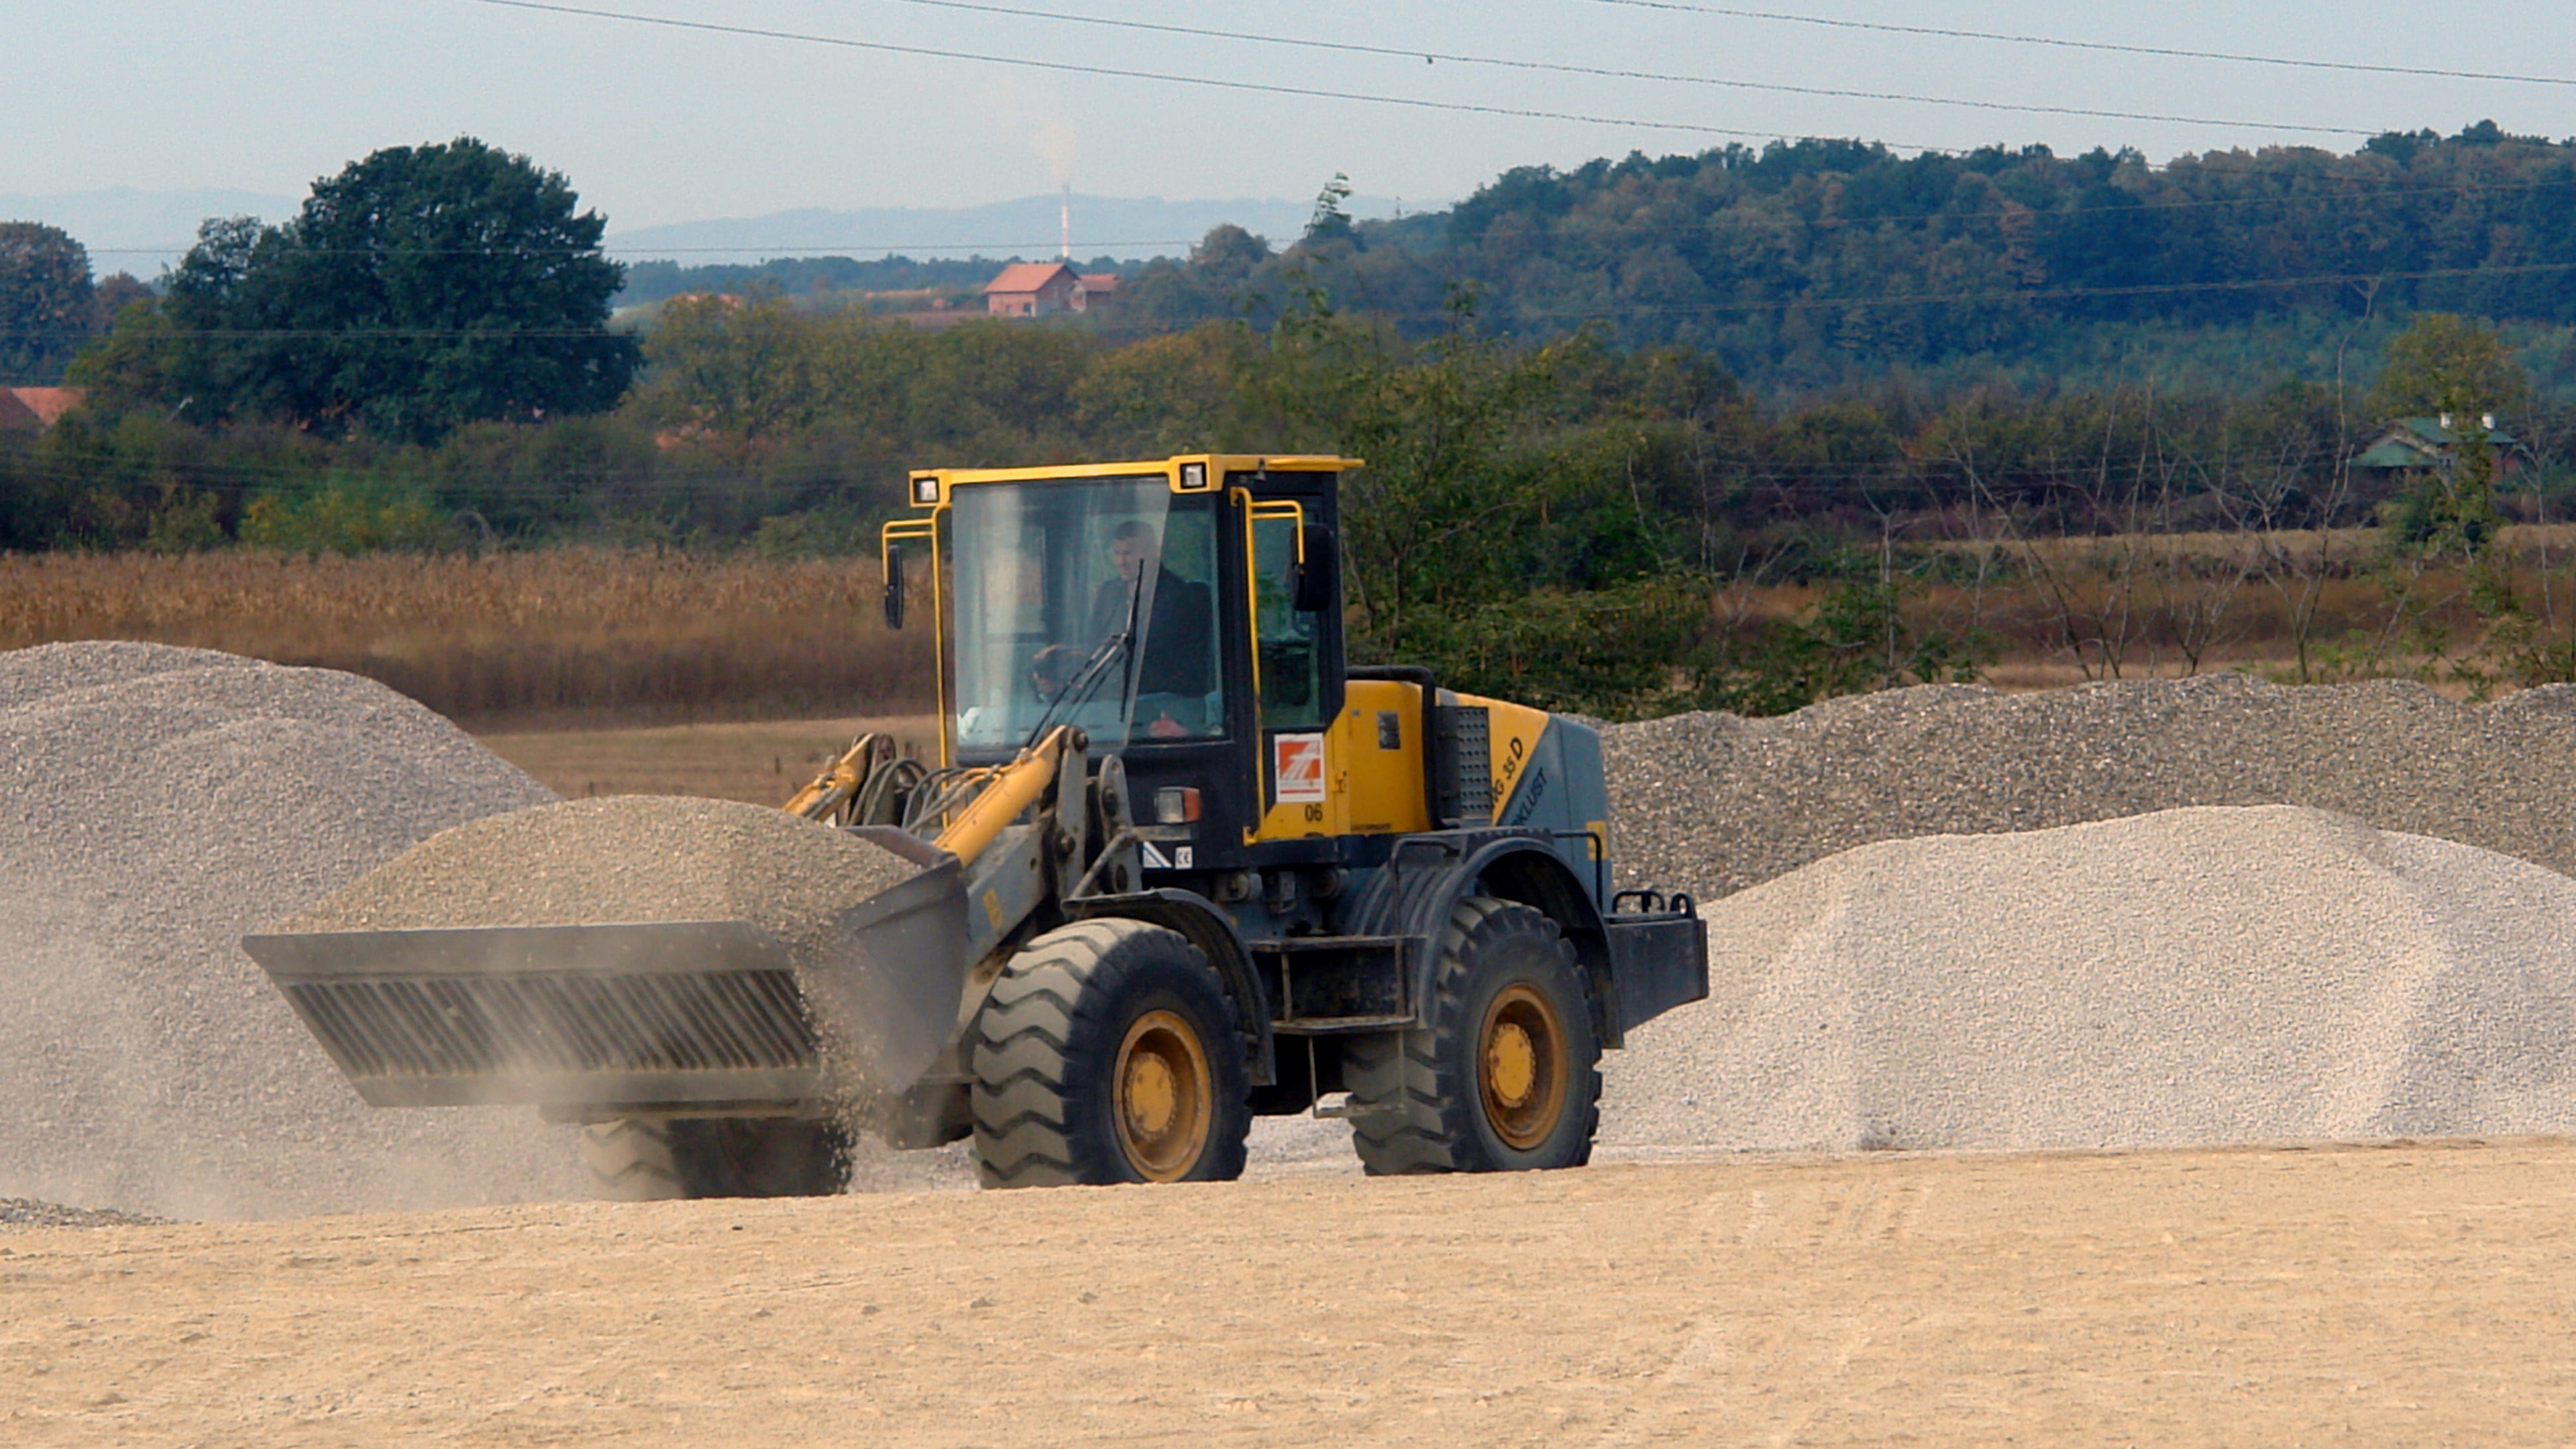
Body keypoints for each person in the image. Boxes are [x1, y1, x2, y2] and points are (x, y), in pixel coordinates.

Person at [1083, 520, 1213, 738]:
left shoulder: (1179, 596)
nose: (1122, 562)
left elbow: (1151, 648)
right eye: (1117, 553)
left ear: (1153, 552)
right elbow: (1094, 642)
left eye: (1129, 554)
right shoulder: (1108, 594)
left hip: (1165, 699)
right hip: (1112, 699)